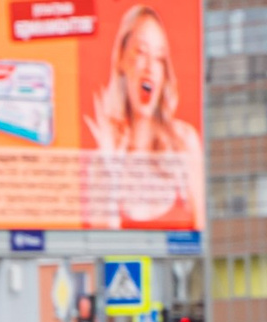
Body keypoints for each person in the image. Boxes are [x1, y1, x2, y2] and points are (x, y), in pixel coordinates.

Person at [85, 3, 205, 230]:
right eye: (140, 52)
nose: (150, 67)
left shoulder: (184, 142)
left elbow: (201, 239)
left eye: (159, 58)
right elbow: (103, 249)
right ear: (121, 59)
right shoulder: (102, 161)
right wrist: (110, 166)